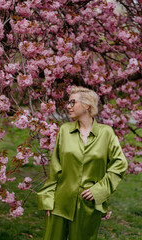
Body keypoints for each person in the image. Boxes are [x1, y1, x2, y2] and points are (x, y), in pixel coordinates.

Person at [37, 86, 128, 240]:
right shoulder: (65, 131)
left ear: (87, 106)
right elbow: (55, 168)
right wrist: (48, 199)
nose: (68, 106)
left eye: (73, 102)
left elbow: (120, 165)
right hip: (59, 203)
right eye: (68, 102)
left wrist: (99, 190)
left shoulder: (106, 133)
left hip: (88, 205)